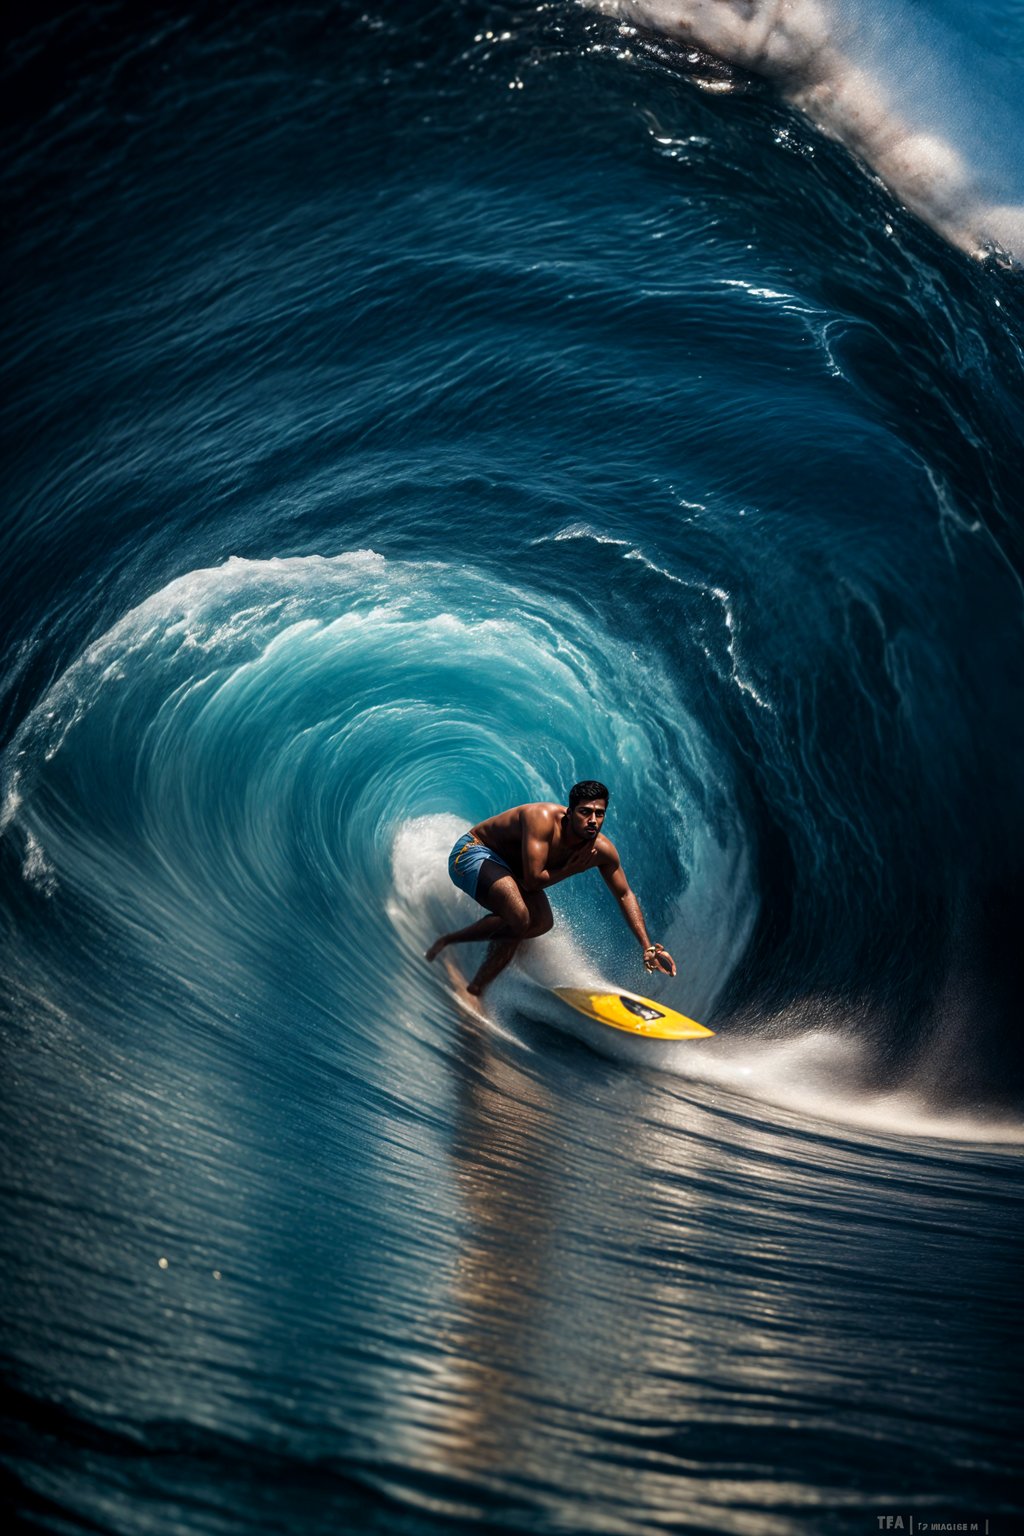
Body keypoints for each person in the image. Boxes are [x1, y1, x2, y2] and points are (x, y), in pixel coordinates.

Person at [425, 780, 676, 998]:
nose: (592, 820)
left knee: (541, 923)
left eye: (599, 814)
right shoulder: (542, 820)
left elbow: (624, 894)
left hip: (513, 873)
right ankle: (453, 949)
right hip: (473, 853)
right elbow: (533, 881)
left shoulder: (602, 850)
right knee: (520, 918)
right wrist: (571, 868)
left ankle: (480, 979)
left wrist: (647, 946)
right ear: (569, 812)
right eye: (585, 812)